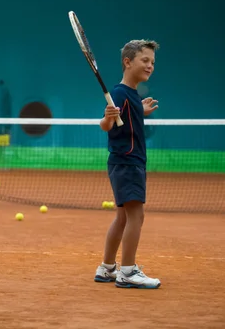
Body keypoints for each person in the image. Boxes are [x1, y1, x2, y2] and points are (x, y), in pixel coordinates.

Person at [94, 39, 161, 289]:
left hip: (123, 163)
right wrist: (107, 118)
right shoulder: (120, 93)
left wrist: (138, 110)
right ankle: (128, 272)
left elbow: (125, 117)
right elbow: (106, 125)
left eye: (152, 62)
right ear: (127, 61)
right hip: (128, 163)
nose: (150, 65)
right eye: (145, 60)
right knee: (136, 216)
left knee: (122, 217)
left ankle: (107, 267)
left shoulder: (130, 95)